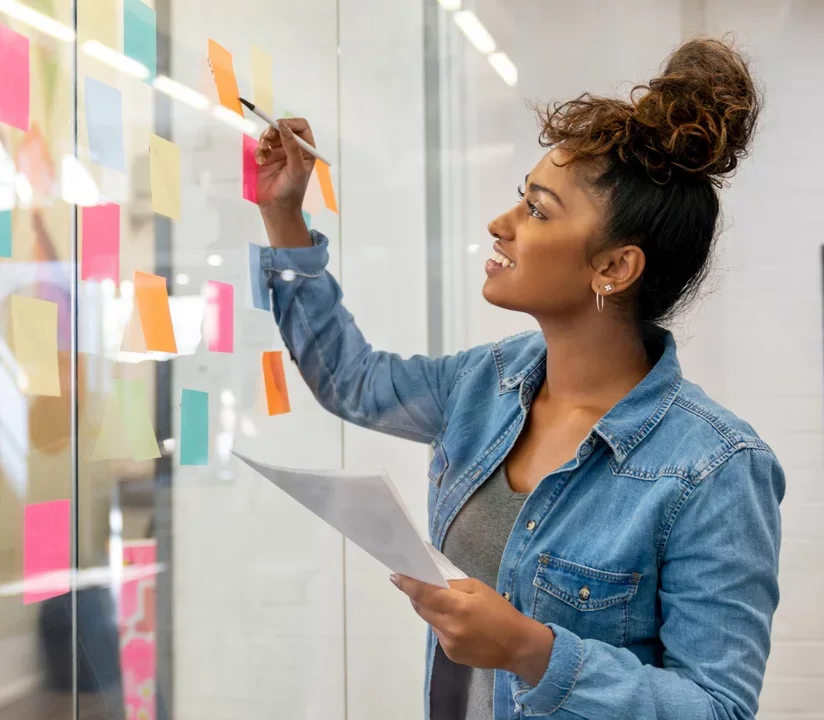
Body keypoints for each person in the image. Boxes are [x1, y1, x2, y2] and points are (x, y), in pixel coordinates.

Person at [250, 37, 783, 720]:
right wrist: (283, 217)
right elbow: (351, 381)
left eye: (537, 209)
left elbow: (717, 707)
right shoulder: (485, 384)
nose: (500, 225)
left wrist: (534, 652)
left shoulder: (715, 468)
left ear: (614, 269)